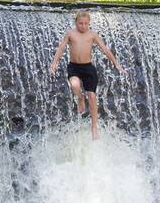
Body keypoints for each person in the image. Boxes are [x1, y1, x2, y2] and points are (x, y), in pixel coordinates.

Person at [48, 11, 125, 140]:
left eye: (85, 24)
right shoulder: (70, 34)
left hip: (88, 68)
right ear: (75, 23)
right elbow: (61, 48)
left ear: (89, 23)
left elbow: (105, 49)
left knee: (92, 96)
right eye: (80, 23)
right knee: (74, 85)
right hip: (74, 67)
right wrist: (54, 63)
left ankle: (94, 126)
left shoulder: (92, 35)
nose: (83, 26)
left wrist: (116, 64)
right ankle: (80, 98)